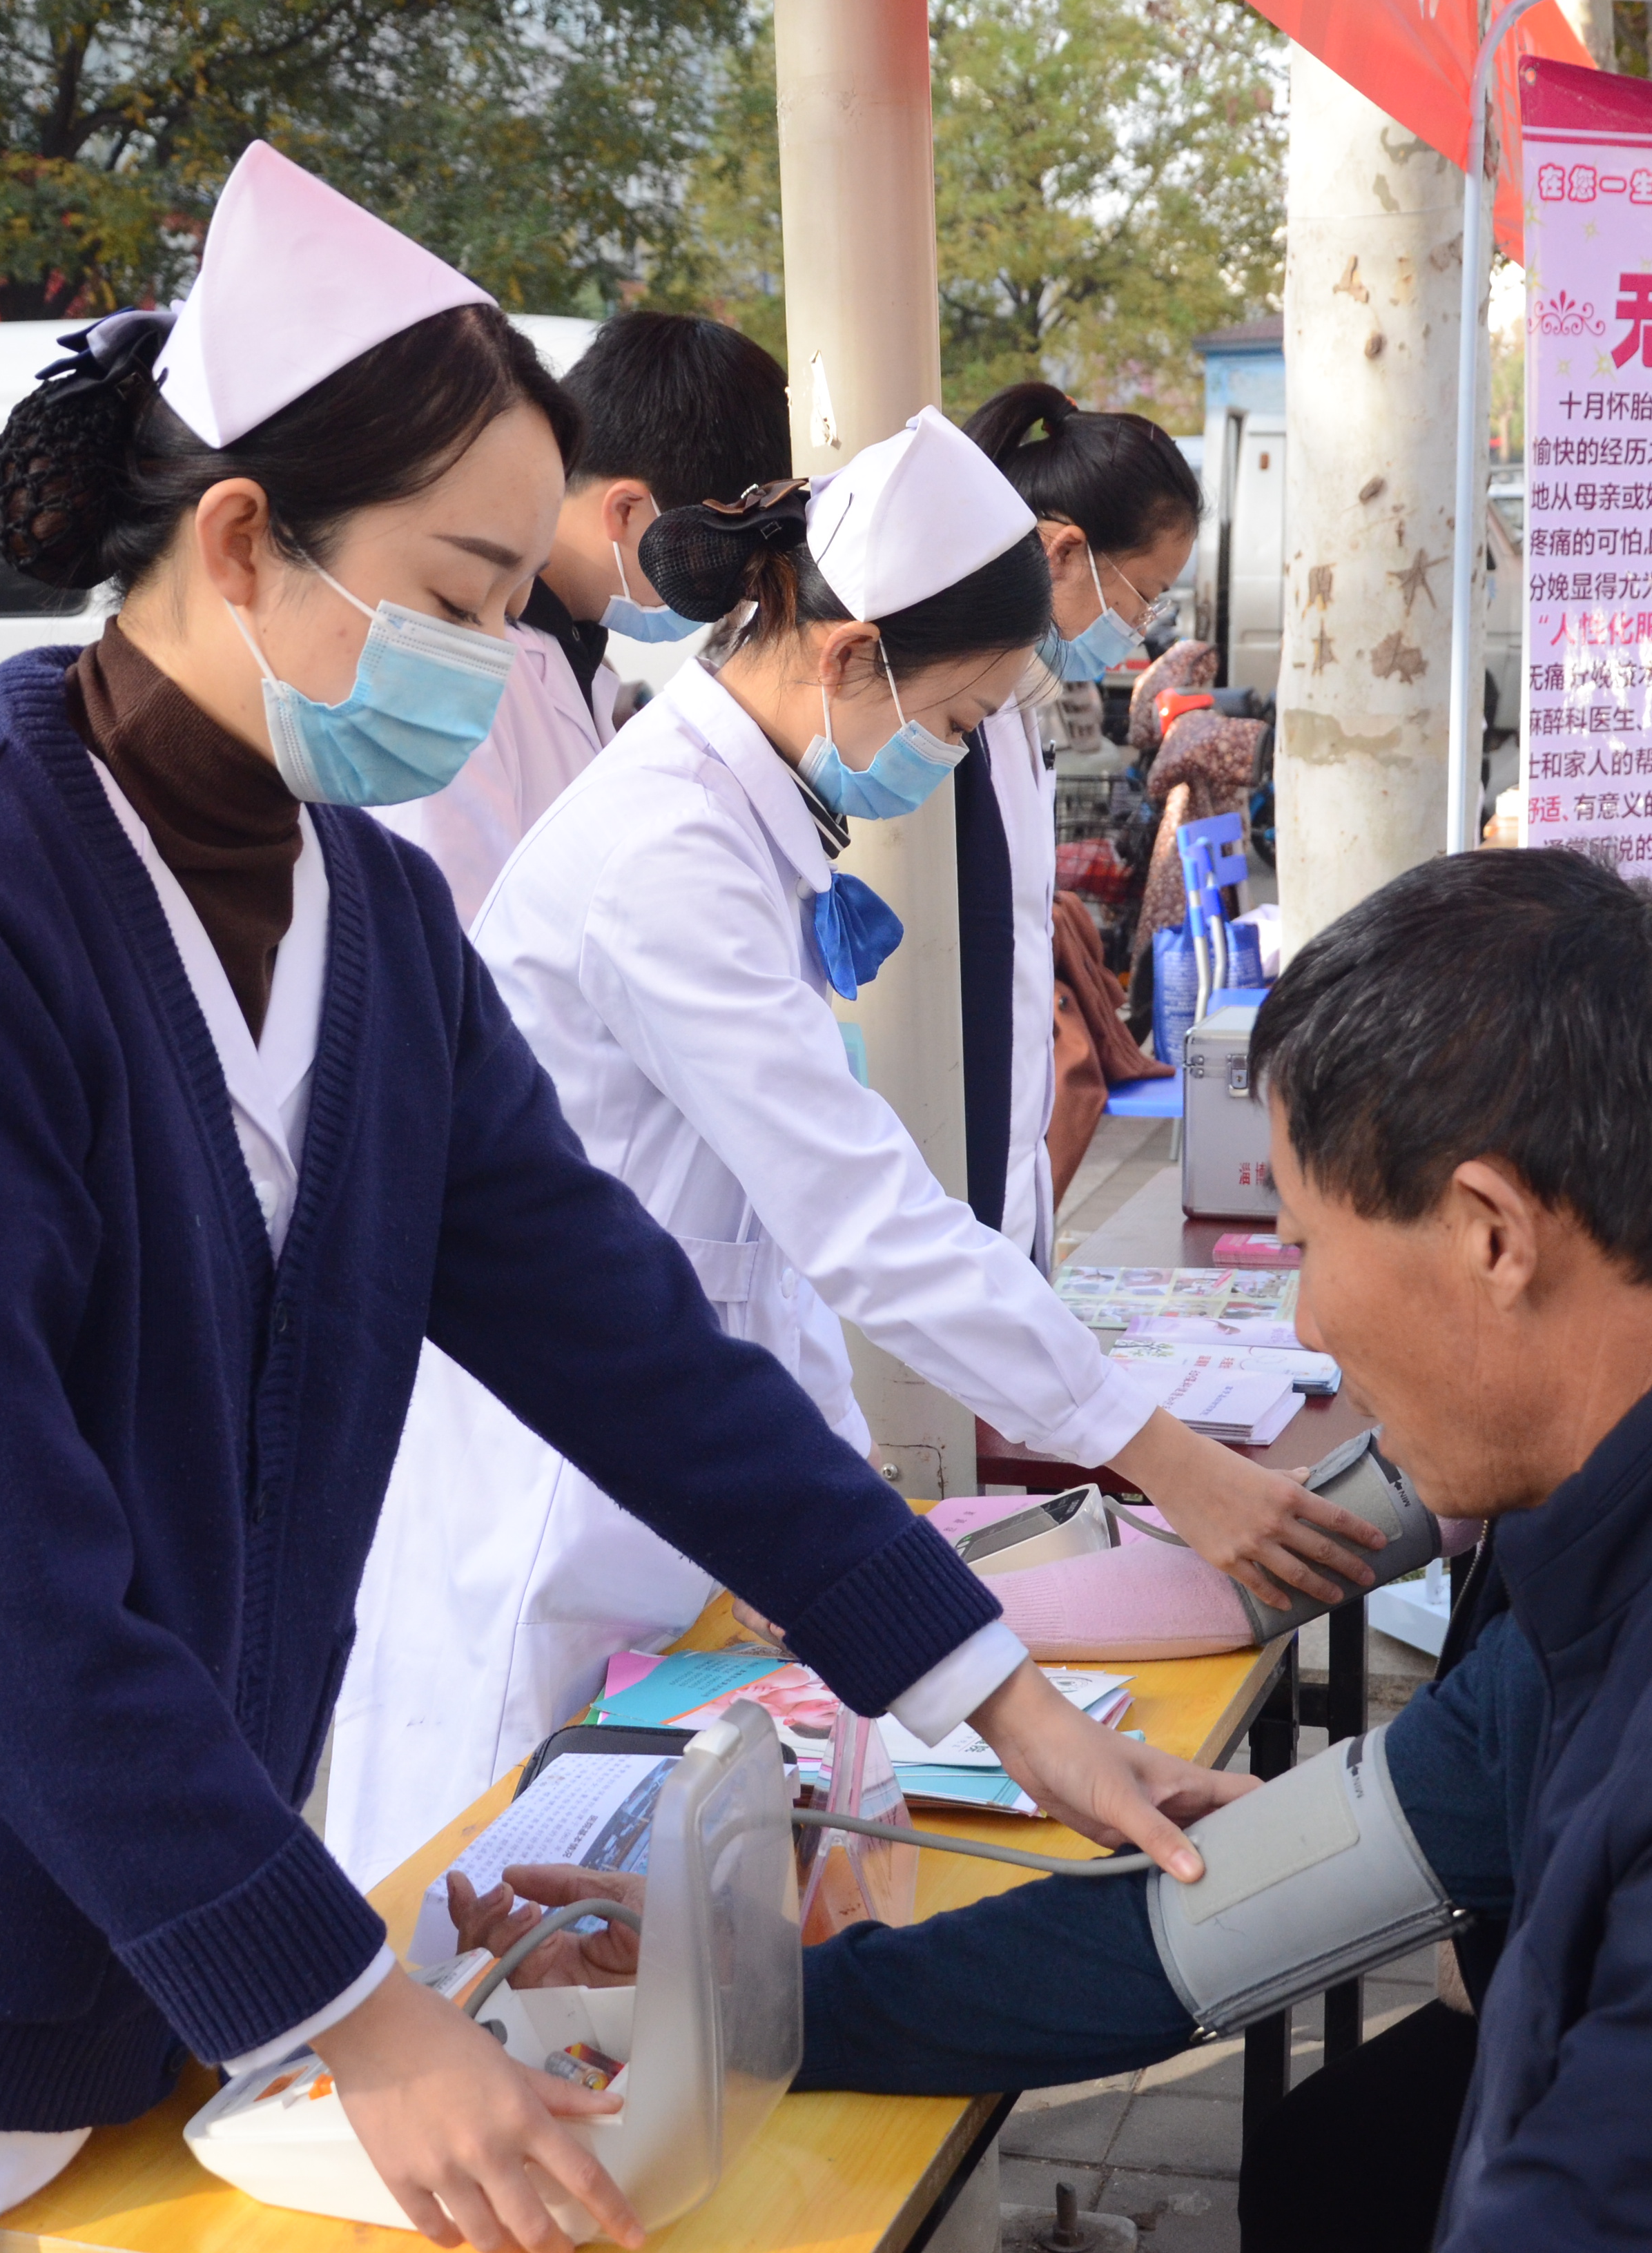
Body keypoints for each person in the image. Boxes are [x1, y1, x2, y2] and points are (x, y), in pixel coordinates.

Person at [0, 143, 1240, 2253]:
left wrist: (996, 1693)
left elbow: (632, 1344)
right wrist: (355, 2009)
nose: (487, 661)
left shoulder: (366, 916)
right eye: (454, 602)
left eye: (507, 605)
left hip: (147, 1941)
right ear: (241, 539)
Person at [469, 848, 1652, 2252]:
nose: (1307, 1324)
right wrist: (753, 2006)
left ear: (1492, 1232)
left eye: (1312, 1246)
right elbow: (1213, 1919)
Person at [324, 409, 1376, 1888]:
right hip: (553, 1509)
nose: (945, 755)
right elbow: (859, 1220)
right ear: (848, 656)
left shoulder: (739, 823)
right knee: (500, 1899)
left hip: (679, 1478)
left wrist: (831, 1495)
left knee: (652, 1919)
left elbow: (759, 1247)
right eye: (953, 718)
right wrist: (1158, 1453)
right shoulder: (665, 854)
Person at [369, 311, 789, 922]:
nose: (720, 593)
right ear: (627, 511)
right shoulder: (466, 676)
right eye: (711, 558)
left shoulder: (578, 657)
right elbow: (455, 928)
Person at [954, 382, 1202, 1238]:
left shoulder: (1021, 702)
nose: (1142, 626)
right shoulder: (960, 710)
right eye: (1144, 595)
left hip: (1010, 1136)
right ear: (1063, 552)